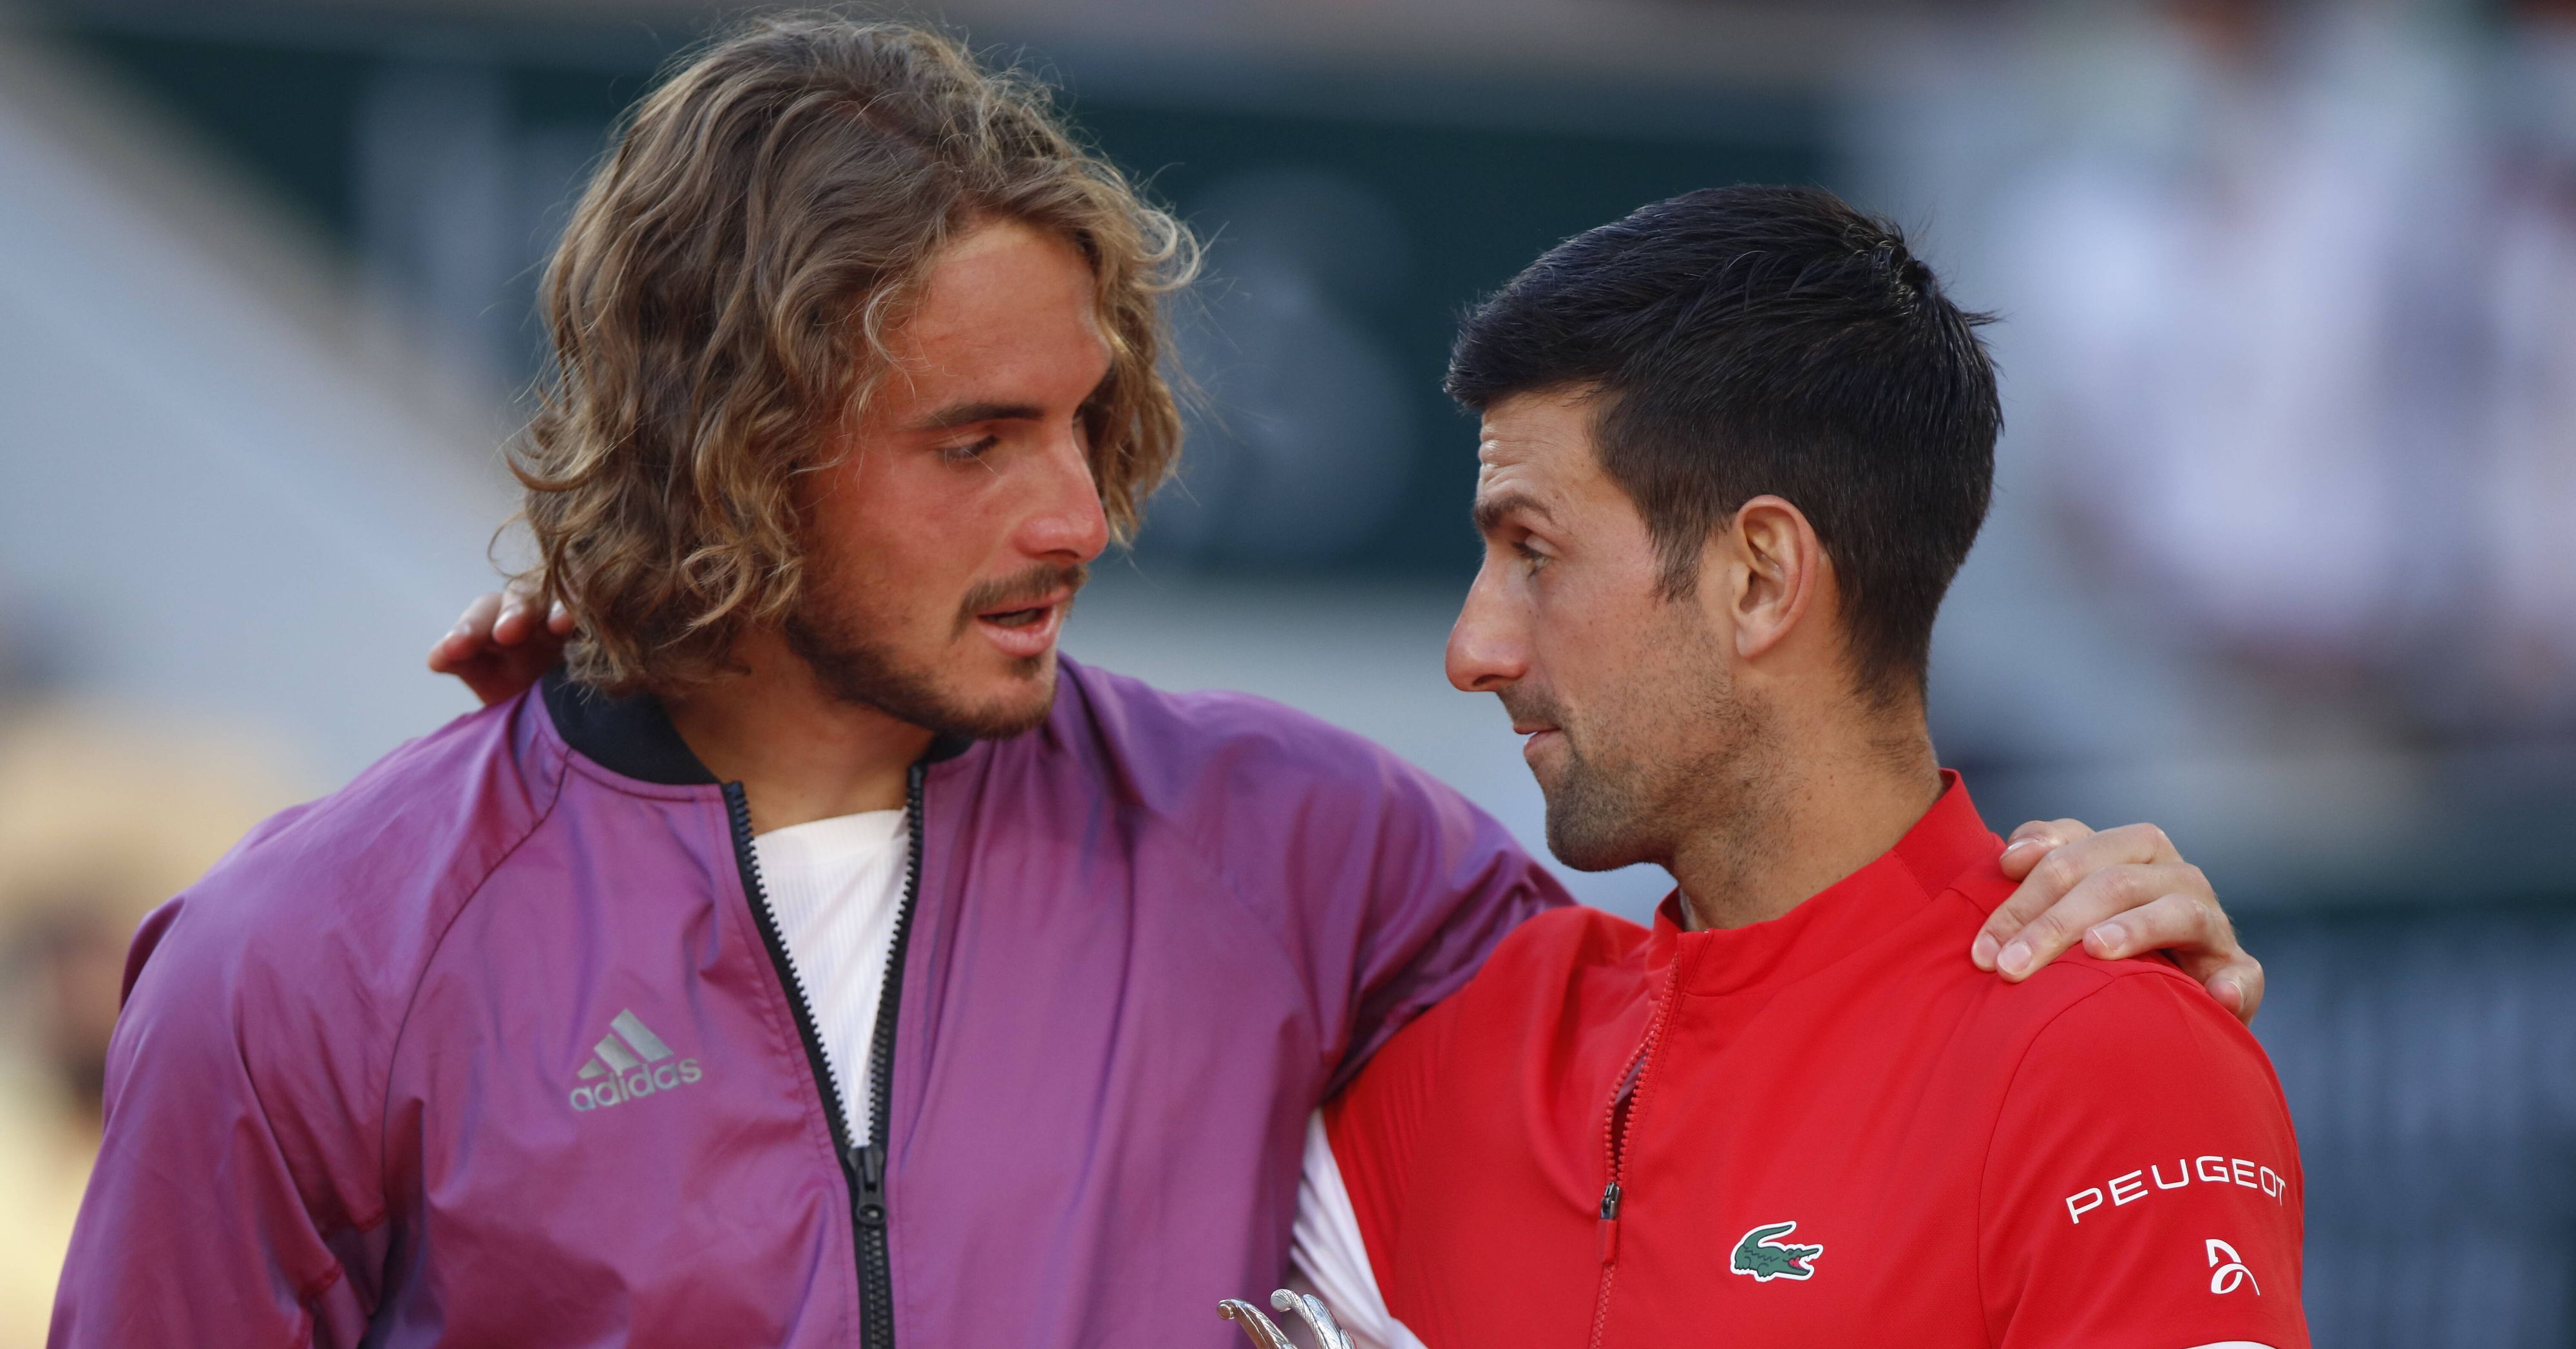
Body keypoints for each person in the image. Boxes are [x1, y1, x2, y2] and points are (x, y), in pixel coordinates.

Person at [53, 17, 2259, 1349]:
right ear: (734, 447)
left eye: (1087, 428)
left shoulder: (1304, 854)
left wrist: (2066, 930)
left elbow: (1778, 989)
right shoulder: (309, 953)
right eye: (975, 442)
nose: (1075, 518)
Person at [1291, 186, 2307, 1349]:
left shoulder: (2104, 1059)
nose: (1476, 650)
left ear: (1762, 578)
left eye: (1535, 552)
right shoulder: (1460, 1043)